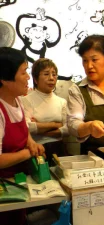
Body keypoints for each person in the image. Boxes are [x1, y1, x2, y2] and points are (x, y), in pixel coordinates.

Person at [0, 47, 45, 225]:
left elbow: (22, 130)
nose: (28, 77)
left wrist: (31, 142)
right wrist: (29, 153)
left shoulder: (17, 99)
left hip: (18, 183)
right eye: (24, 72)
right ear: (4, 79)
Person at [21, 58, 69, 164]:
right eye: (46, 74)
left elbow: (67, 129)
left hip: (59, 148)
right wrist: (55, 124)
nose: (51, 78)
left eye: (54, 74)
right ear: (36, 79)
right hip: (37, 149)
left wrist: (39, 126)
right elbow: (27, 127)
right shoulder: (26, 100)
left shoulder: (62, 102)